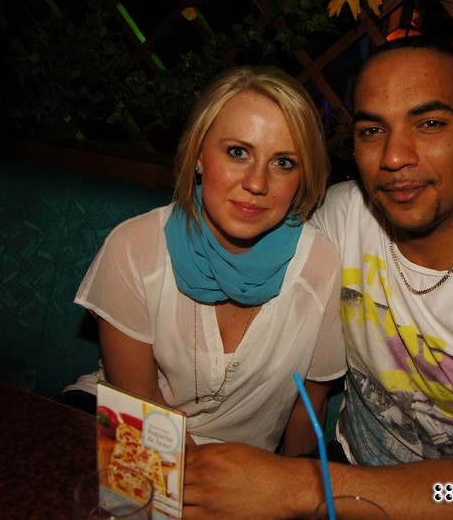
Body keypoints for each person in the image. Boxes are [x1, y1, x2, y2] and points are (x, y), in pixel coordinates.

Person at [182, 36, 453, 518]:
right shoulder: (341, 217)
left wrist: (295, 485)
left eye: (429, 124)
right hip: (344, 473)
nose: (395, 157)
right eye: (372, 131)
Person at [73, 66, 346, 456]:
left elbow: (308, 414)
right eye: (238, 152)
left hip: (243, 467)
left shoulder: (320, 267)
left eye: (284, 162)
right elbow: (139, 400)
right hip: (125, 427)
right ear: (199, 155)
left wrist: (290, 487)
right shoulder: (134, 248)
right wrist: (200, 476)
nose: (256, 183)